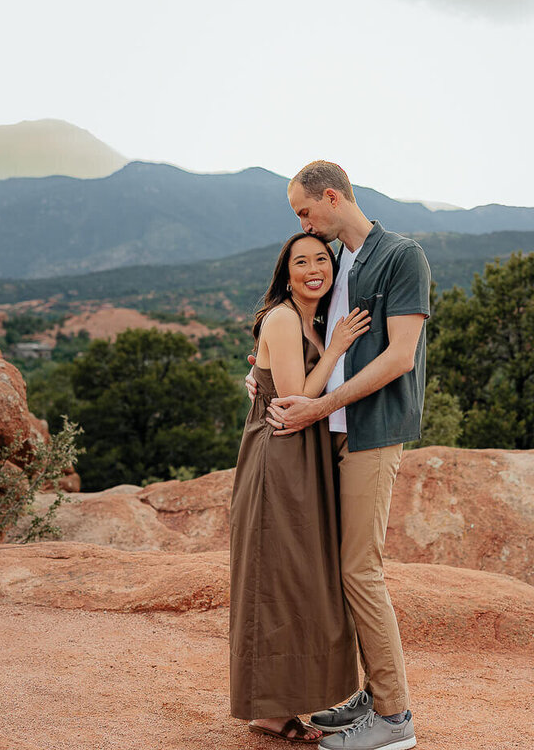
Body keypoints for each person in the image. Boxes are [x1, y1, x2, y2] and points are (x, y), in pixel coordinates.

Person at [266, 160, 431, 750]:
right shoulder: (341, 262)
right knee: (335, 571)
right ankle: (371, 692)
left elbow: (400, 357)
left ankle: (394, 720)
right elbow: (313, 333)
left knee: (361, 570)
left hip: (370, 433)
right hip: (329, 434)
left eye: (304, 211)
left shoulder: (402, 256)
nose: (302, 223)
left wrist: (320, 405)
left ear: (331, 197)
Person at [230, 232, 372, 743]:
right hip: (282, 455)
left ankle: (287, 701)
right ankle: (268, 711)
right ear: (285, 273)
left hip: (305, 454)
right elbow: (292, 401)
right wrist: (335, 349)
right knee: (278, 577)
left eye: (321, 260)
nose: (314, 269)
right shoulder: (286, 319)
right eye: (301, 262)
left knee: (301, 576)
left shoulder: (308, 321)